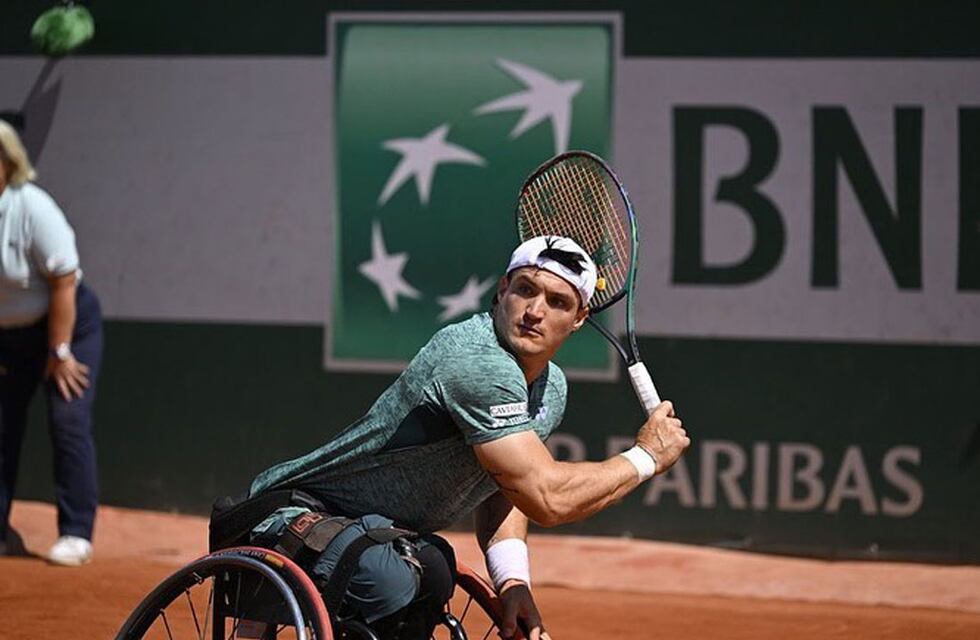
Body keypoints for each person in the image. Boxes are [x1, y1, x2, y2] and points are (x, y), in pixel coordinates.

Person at [246, 235, 690, 639]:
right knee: (390, 578)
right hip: (290, 518)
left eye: (557, 301)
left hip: (375, 535)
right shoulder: (478, 362)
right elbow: (547, 497)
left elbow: (506, 487)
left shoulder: (551, 388)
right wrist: (646, 457)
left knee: (433, 568)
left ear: (579, 318)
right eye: (526, 290)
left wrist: (513, 581)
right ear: (503, 289)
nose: (535, 311)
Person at [0, 119, 103, 566]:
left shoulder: (33, 208)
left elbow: (64, 281)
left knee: (67, 418)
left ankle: (76, 533)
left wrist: (59, 352)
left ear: (7, 164)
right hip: (8, 337)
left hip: (67, 328)